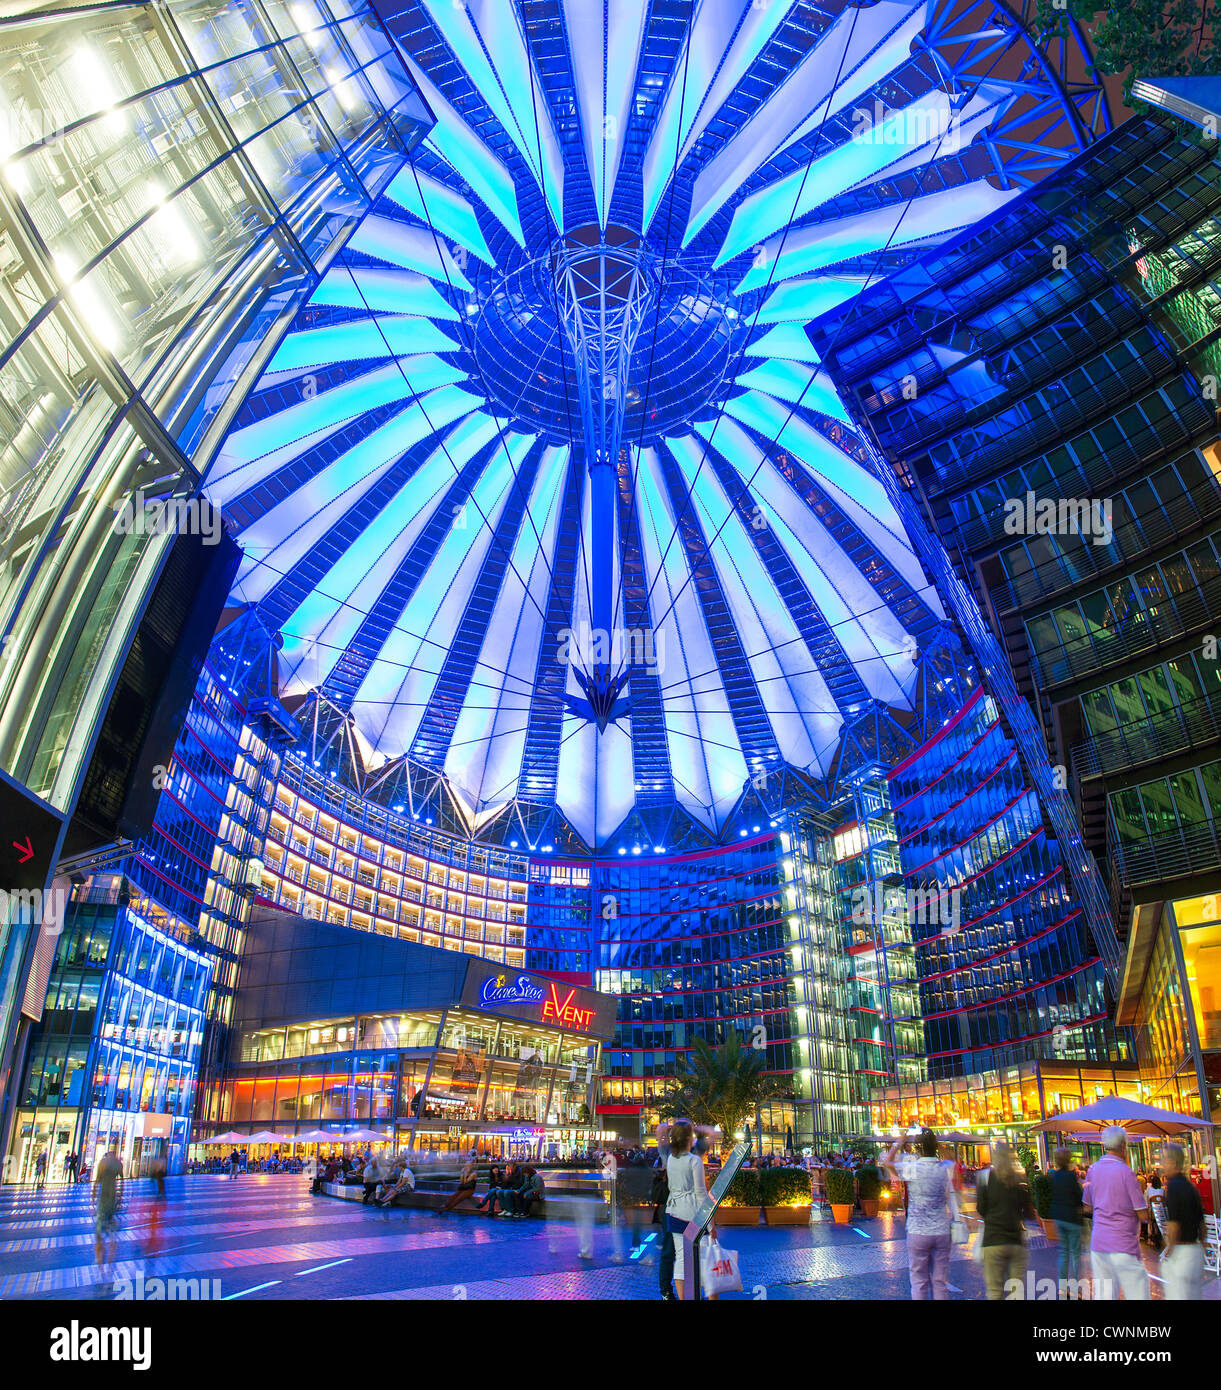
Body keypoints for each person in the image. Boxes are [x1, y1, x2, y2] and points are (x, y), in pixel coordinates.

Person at [883, 1128, 956, 1300]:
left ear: (918, 1148)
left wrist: (899, 1142)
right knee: (940, 1281)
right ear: (934, 1147)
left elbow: (887, 1163)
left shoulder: (912, 1168)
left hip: (918, 1230)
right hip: (941, 1230)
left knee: (918, 1281)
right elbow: (952, 1160)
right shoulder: (944, 1168)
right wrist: (937, 1144)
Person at [1082, 1125, 1149, 1301]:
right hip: (1123, 1244)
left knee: (1104, 1295)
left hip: (1099, 1243)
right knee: (1138, 1293)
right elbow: (1143, 1215)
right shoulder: (1126, 1172)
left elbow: (1087, 1206)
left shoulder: (1093, 1170)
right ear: (1123, 1146)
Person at [977, 1143, 1035, 1300]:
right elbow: (1028, 1212)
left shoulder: (985, 1178)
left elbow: (981, 1209)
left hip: (993, 1240)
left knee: (995, 1292)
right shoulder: (1020, 1179)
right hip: (1016, 1240)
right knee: (1016, 1293)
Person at [664, 1120, 710, 1300]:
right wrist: (711, 1224)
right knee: (704, 1255)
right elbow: (700, 1193)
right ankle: (705, 1293)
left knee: (681, 1258)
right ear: (689, 1138)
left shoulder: (671, 1158)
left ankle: (684, 1297)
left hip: (674, 1210)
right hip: (692, 1213)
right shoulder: (694, 1161)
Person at [1159, 1143, 1206, 1300]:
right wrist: (1202, 1247)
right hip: (1195, 1250)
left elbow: (1174, 1224)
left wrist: (1170, 1249)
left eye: (1164, 1159)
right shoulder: (1191, 1187)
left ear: (1173, 1163)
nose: (1162, 1164)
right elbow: (1202, 1225)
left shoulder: (1173, 1187)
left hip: (1181, 1253)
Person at [1048, 1148, 1084, 1296]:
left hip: (1059, 1217)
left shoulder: (1054, 1176)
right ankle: (1075, 1287)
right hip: (1072, 1218)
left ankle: (1062, 1286)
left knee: (1063, 1252)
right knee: (1075, 1253)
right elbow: (1079, 1196)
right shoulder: (1071, 1176)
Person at [93, 1147, 123, 1287]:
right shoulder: (117, 1164)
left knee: (100, 1236)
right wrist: (120, 1198)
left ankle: (101, 1267)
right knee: (111, 1237)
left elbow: (97, 1180)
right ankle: (109, 1265)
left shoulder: (103, 1164)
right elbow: (122, 1182)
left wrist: (93, 1197)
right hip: (111, 1201)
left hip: (104, 1202)